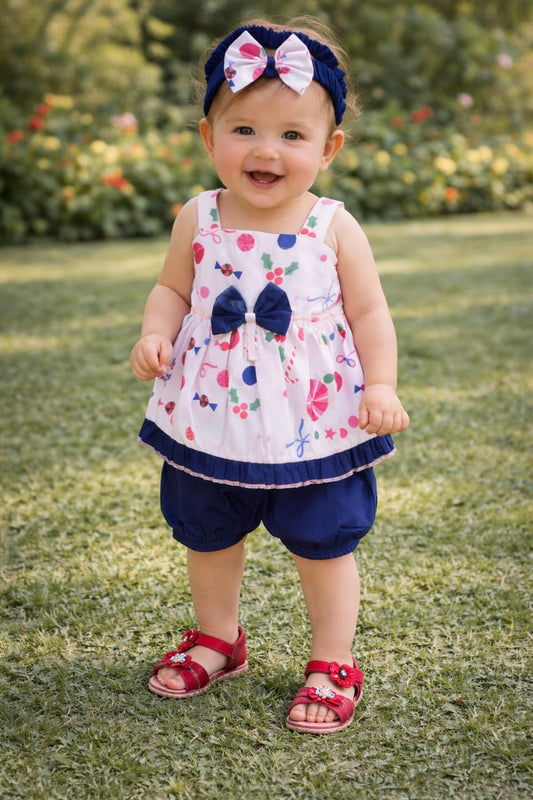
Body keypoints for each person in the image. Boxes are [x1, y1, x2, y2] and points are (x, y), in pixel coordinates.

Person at [130, 17, 409, 735]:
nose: (265, 149)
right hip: (210, 412)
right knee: (207, 532)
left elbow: (369, 312)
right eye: (243, 129)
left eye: (291, 135)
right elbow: (172, 289)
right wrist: (156, 331)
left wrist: (380, 385)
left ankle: (331, 658)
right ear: (208, 137)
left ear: (328, 148)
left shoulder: (332, 226)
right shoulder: (198, 217)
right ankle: (218, 638)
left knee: (324, 539)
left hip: (313, 419)